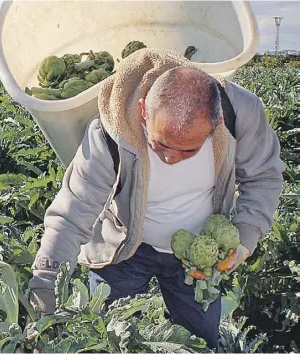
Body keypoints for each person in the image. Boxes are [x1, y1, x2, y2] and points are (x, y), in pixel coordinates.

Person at [28, 49, 285, 349]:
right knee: (108, 339)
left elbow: (263, 177)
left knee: (200, 342)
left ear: (215, 125)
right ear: (143, 112)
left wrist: (246, 234)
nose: (171, 158)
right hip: (123, 251)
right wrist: (45, 286)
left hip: (196, 256)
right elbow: (71, 217)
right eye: (161, 144)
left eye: (188, 150)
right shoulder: (108, 135)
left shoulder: (239, 114)